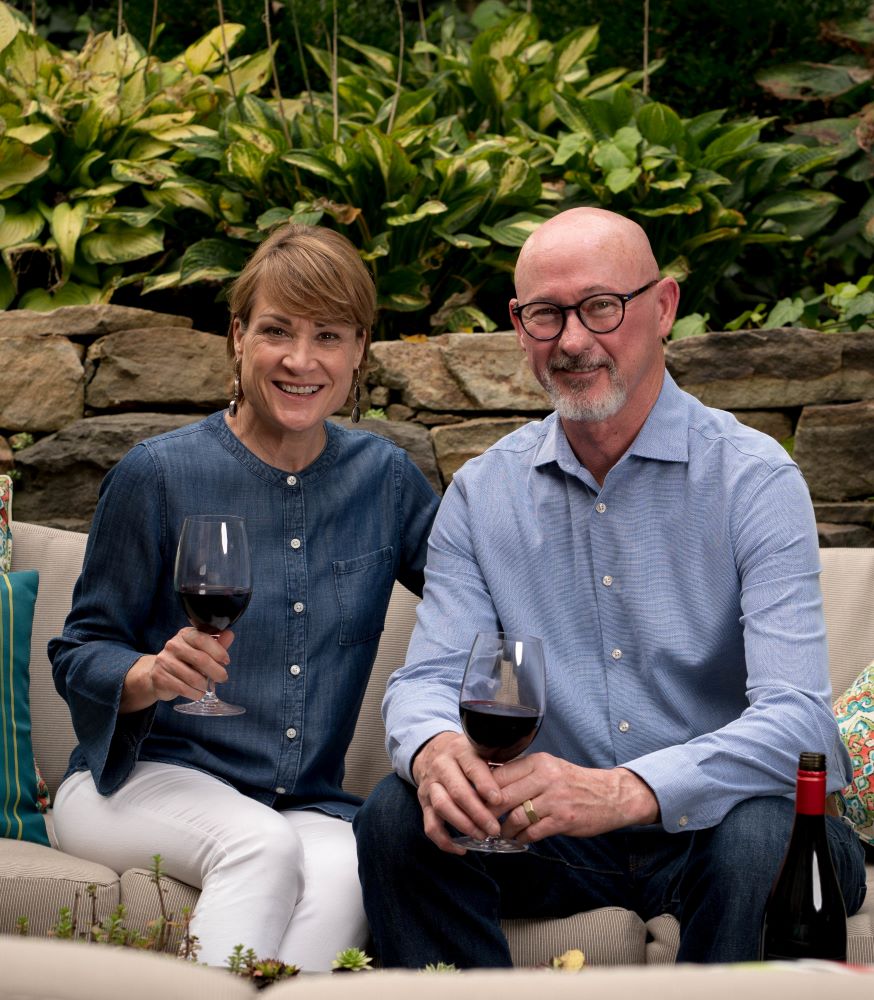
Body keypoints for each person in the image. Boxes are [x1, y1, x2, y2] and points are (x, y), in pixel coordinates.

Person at [352, 206, 867, 967]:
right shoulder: (482, 493)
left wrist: (626, 791)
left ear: (662, 309)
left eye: (600, 306)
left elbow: (798, 725)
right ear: (519, 326)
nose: (572, 339)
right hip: (548, 838)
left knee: (763, 830)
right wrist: (432, 750)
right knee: (396, 816)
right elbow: (427, 679)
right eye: (545, 315)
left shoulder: (754, 479)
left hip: (719, 833)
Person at [49, 224, 439, 969]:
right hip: (136, 783)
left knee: (351, 869)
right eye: (276, 332)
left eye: (328, 335)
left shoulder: (385, 481)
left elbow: (476, 597)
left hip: (305, 802)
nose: (301, 360)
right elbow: (80, 652)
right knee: (260, 848)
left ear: (359, 350)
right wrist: (147, 675)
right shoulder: (156, 475)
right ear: (237, 338)